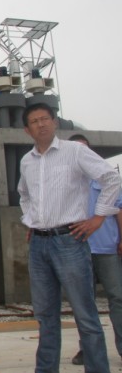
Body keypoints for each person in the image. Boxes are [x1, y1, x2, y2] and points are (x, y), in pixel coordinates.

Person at [17, 103, 121, 373]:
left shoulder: (75, 151)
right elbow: (24, 194)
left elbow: (111, 179)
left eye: (45, 119)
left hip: (69, 241)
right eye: (34, 121)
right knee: (45, 315)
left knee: (85, 314)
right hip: (38, 244)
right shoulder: (27, 161)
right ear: (27, 130)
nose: (41, 124)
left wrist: (98, 217)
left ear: (55, 122)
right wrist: (31, 218)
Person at [67, 134, 122, 366]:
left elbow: (119, 210)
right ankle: (87, 349)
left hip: (107, 247)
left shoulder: (106, 180)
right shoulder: (67, 183)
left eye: (85, 149)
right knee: (83, 302)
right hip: (77, 248)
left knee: (117, 297)